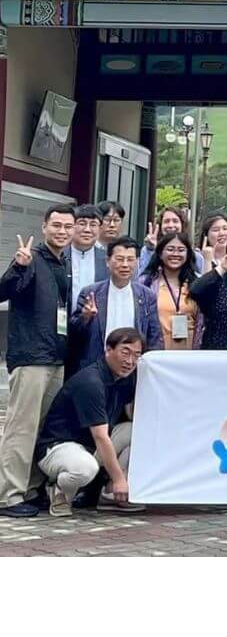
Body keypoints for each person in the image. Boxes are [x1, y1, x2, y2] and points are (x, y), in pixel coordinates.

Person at [0, 204, 75, 518]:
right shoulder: (31, 260)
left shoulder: (65, 264)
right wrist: (18, 266)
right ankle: (8, 496)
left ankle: (30, 489)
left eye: (67, 227)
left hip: (56, 358)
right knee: (22, 427)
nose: (61, 231)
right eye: (56, 225)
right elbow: (3, 291)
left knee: (42, 428)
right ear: (44, 227)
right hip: (30, 357)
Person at [34, 328, 145, 517]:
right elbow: (101, 437)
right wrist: (119, 478)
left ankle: (109, 493)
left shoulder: (125, 378)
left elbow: (131, 415)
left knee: (139, 431)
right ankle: (58, 490)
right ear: (108, 350)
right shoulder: (91, 382)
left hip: (90, 446)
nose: (130, 361)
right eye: (125, 352)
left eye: (137, 355)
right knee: (85, 468)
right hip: (58, 447)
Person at [69, 237, 163, 370]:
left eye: (130, 260)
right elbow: (74, 333)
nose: (125, 265)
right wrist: (86, 317)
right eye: (119, 259)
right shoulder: (91, 293)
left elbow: (154, 337)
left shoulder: (147, 296)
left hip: (133, 367)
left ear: (137, 262)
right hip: (96, 366)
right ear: (108, 261)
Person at [141, 231, 203, 350]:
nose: (175, 254)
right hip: (157, 354)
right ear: (160, 253)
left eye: (181, 250)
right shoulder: (146, 283)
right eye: (170, 249)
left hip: (190, 354)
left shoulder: (197, 283)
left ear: (188, 254)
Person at [138, 205, 203, 276]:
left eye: (175, 221)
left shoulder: (196, 257)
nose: (171, 225)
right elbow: (142, 280)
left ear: (182, 224)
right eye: (166, 221)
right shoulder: (148, 250)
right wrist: (154, 250)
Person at [68, 204, 109, 313]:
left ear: (100, 229)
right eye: (82, 223)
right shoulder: (60, 255)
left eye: (93, 225)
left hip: (94, 322)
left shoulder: (107, 260)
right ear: (72, 226)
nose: (87, 229)